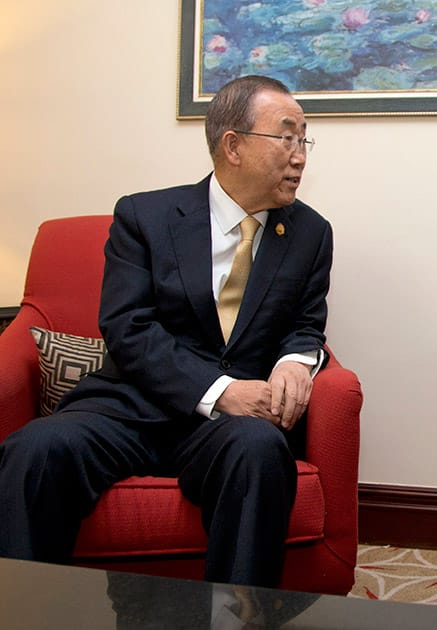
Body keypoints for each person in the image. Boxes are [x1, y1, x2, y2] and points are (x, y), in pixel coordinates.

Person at [0, 75, 333, 588]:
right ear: (233, 145)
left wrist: (295, 360)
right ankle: (24, 609)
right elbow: (127, 328)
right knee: (34, 451)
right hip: (132, 407)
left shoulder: (310, 233)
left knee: (260, 451)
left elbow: (306, 324)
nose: (300, 155)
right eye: (286, 136)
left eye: (303, 138)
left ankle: (237, 622)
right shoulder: (145, 216)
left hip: (228, 433)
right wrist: (220, 392)